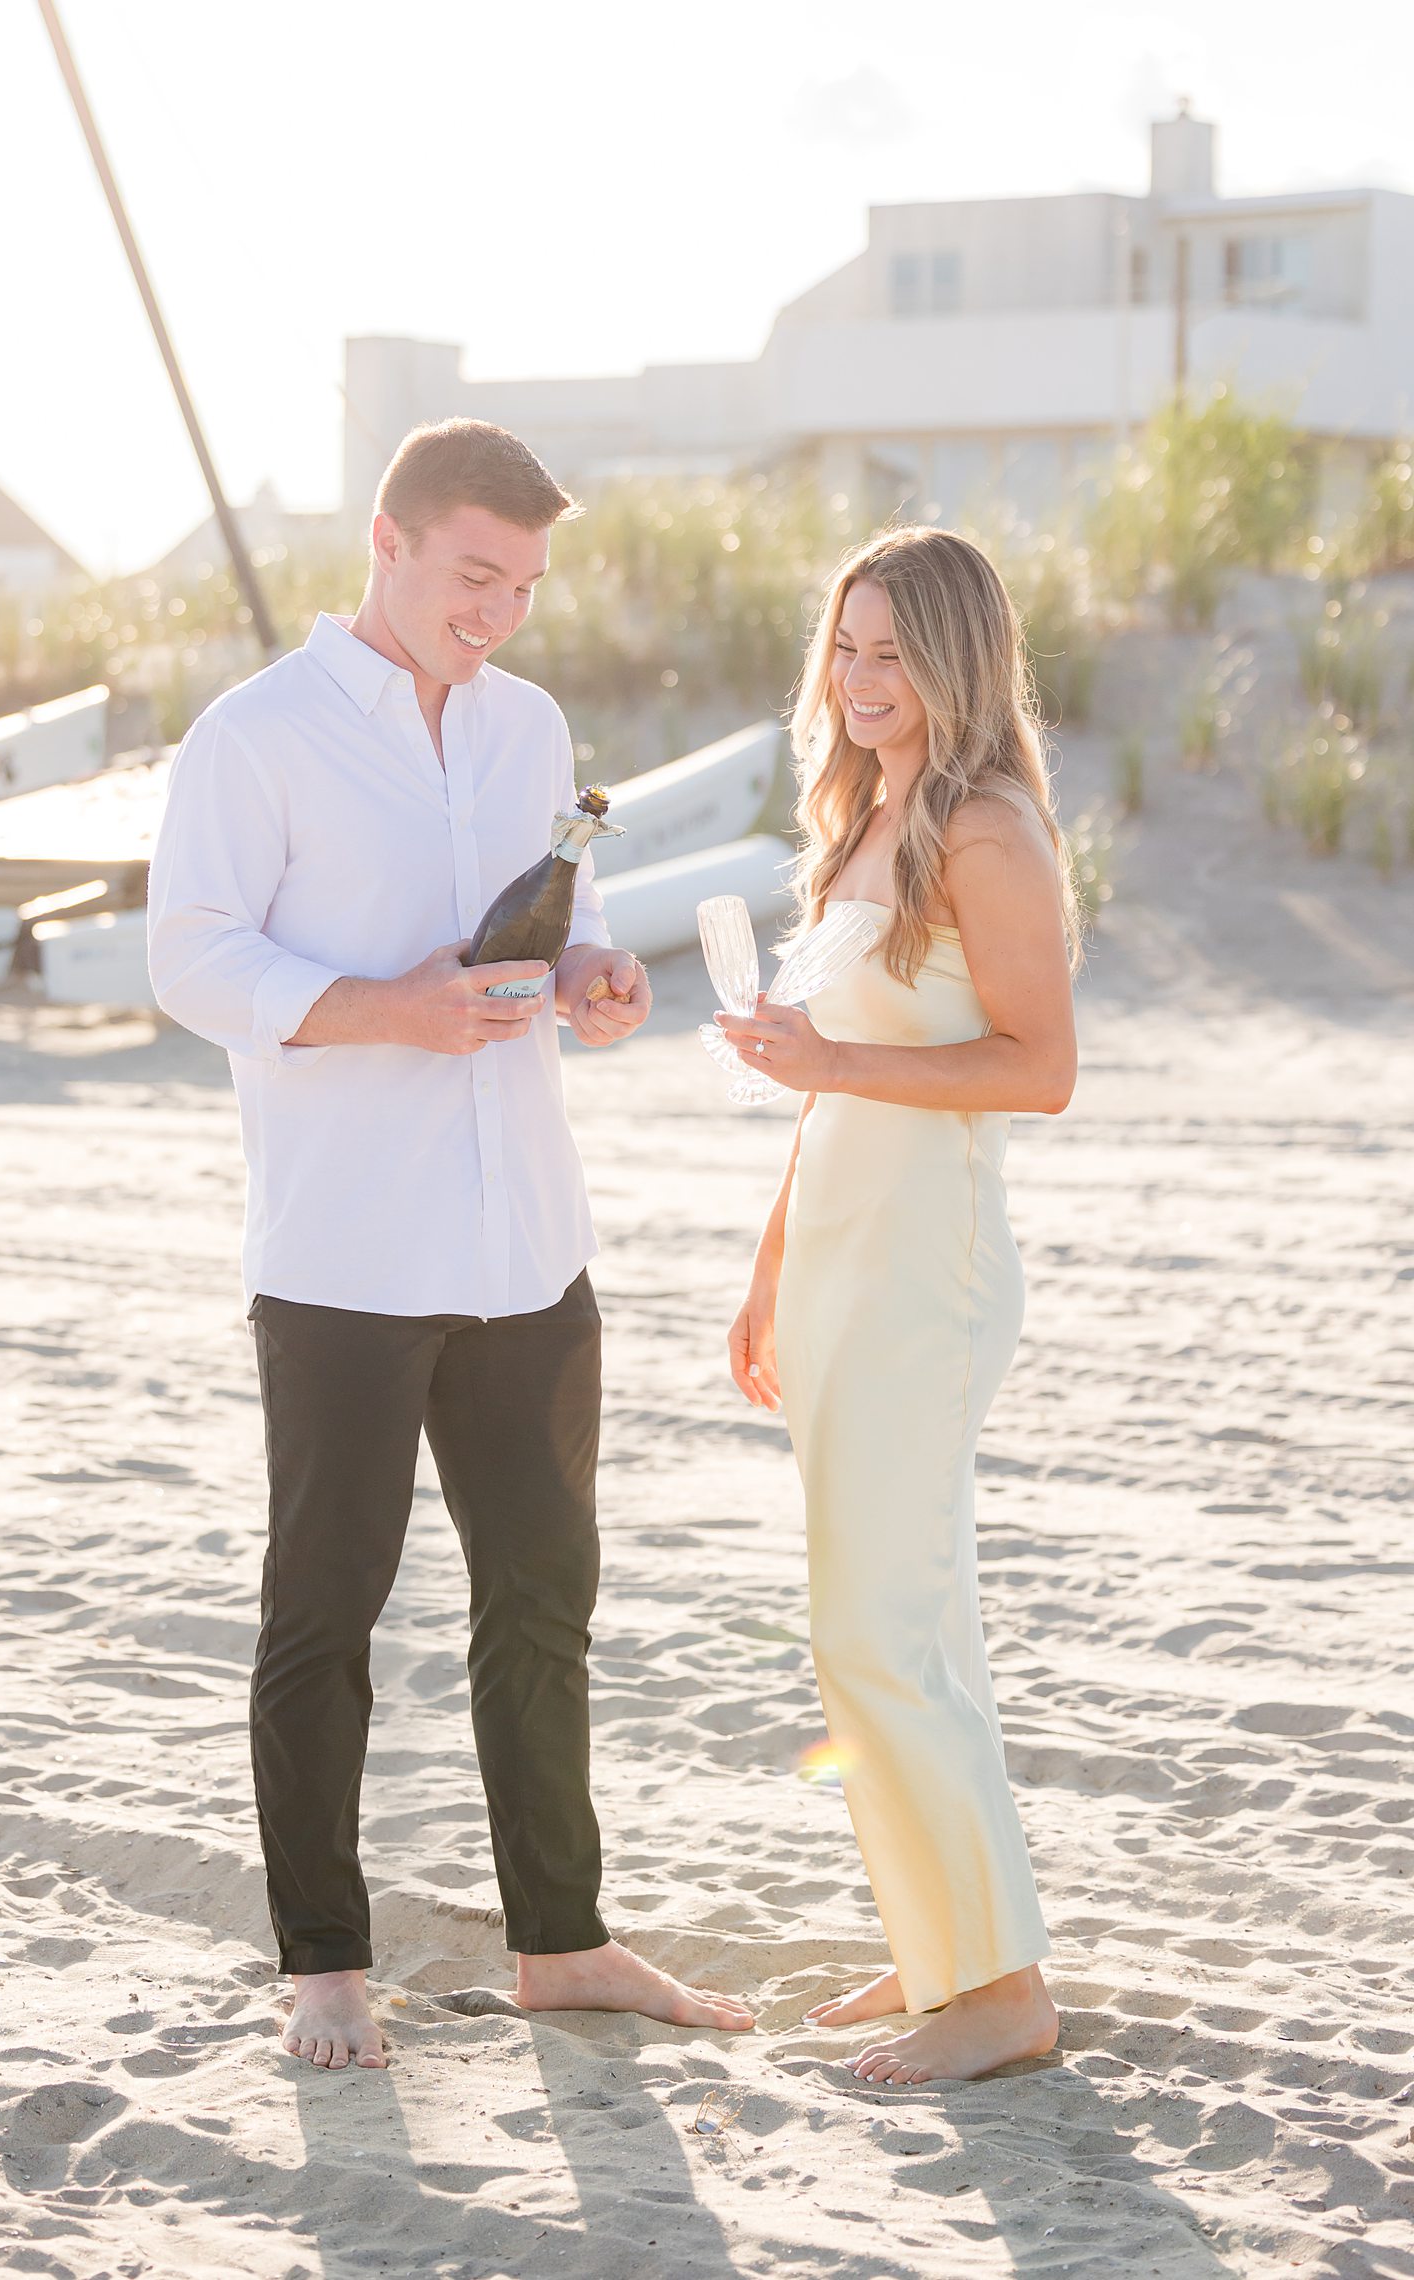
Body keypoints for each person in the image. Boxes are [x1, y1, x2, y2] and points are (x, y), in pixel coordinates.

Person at [148, 418, 754, 2069]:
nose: (500, 610)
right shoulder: (253, 737)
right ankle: (324, 1967)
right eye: (476, 573)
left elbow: (558, 914)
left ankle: (563, 1944)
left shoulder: (530, 724)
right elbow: (191, 961)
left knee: (544, 1598)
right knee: (327, 1609)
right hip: (343, 1250)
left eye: (527, 584)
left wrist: (594, 983)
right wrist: (383, 1012)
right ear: (389, 543)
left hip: (528, 1247)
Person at [720, 526, 1078, 2085]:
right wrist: (769, 1263)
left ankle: (1000, 1991)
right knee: (898, 1625)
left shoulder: (988, 833)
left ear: (951, 660)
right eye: (845, 651)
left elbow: (1040, 1071)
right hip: (841, 1264)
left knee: (877, 1626)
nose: (862, 682)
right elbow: (827, 1090)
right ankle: (948, 1952)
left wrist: (834, 1064)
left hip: (927, 1270)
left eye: (891, 653)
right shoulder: (868, 814)